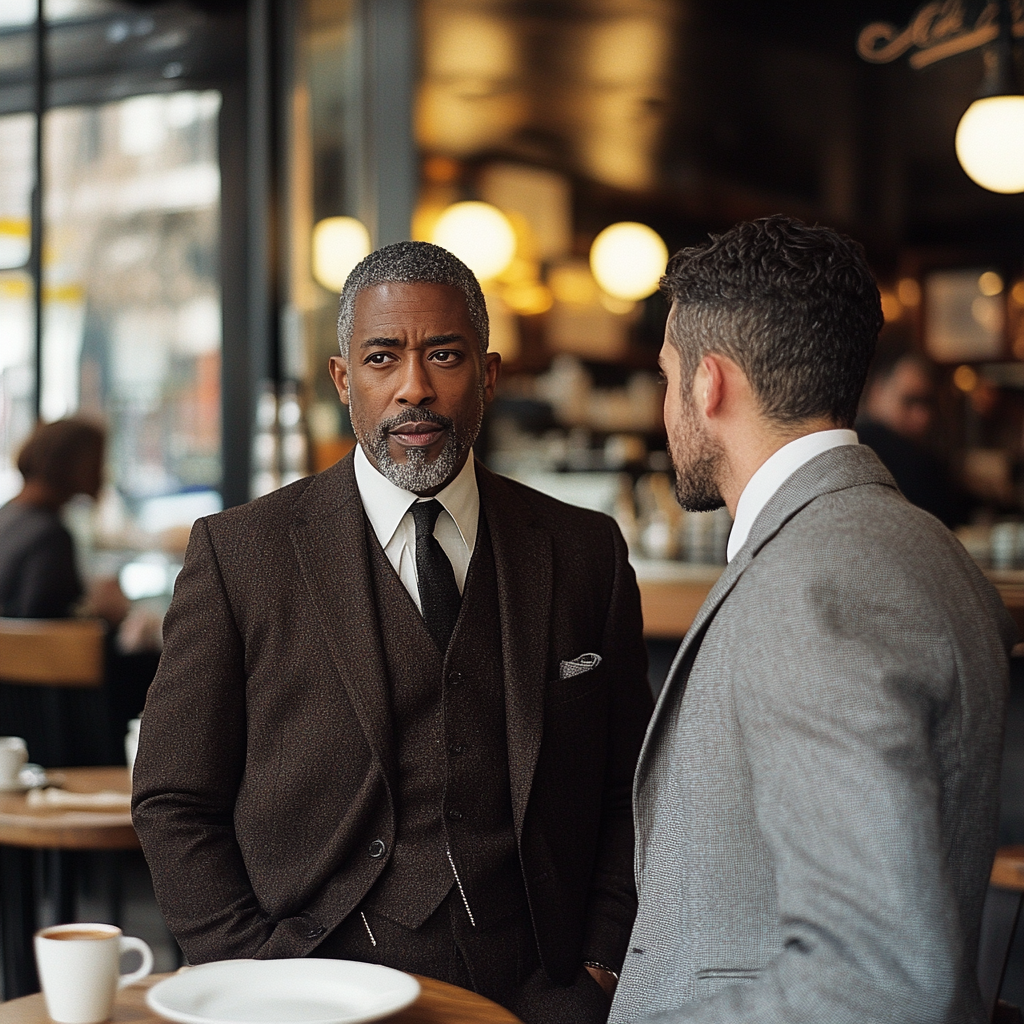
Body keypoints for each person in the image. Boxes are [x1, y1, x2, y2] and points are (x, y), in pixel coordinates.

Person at [132, 241, 652, 1024]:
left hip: (539, 991)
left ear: (489, 374)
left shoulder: (585, 551)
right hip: (307, 986)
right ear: (345, 381)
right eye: (383, 358)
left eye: (444, 355)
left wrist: (600, 965)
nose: (415, 387)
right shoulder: (240, 555)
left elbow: (630, 789)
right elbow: (174, 799)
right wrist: (255, 976)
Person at [609, 216, 1015, 1024]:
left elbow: (879, 971)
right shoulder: (926, 548)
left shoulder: (813, 586)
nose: (665, 406)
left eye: (666, 377)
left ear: (710, 384)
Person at [0, 418, 139, 766]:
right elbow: (49, 633)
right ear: (78, 465)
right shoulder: (51, 535)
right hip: (47, 720)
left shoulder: (8, 517)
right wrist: (106, 612)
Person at [856, 336, 970, 527]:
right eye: (910, 401)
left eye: (928, 403)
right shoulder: (911, 461)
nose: (923, 417)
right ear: (877, 393)